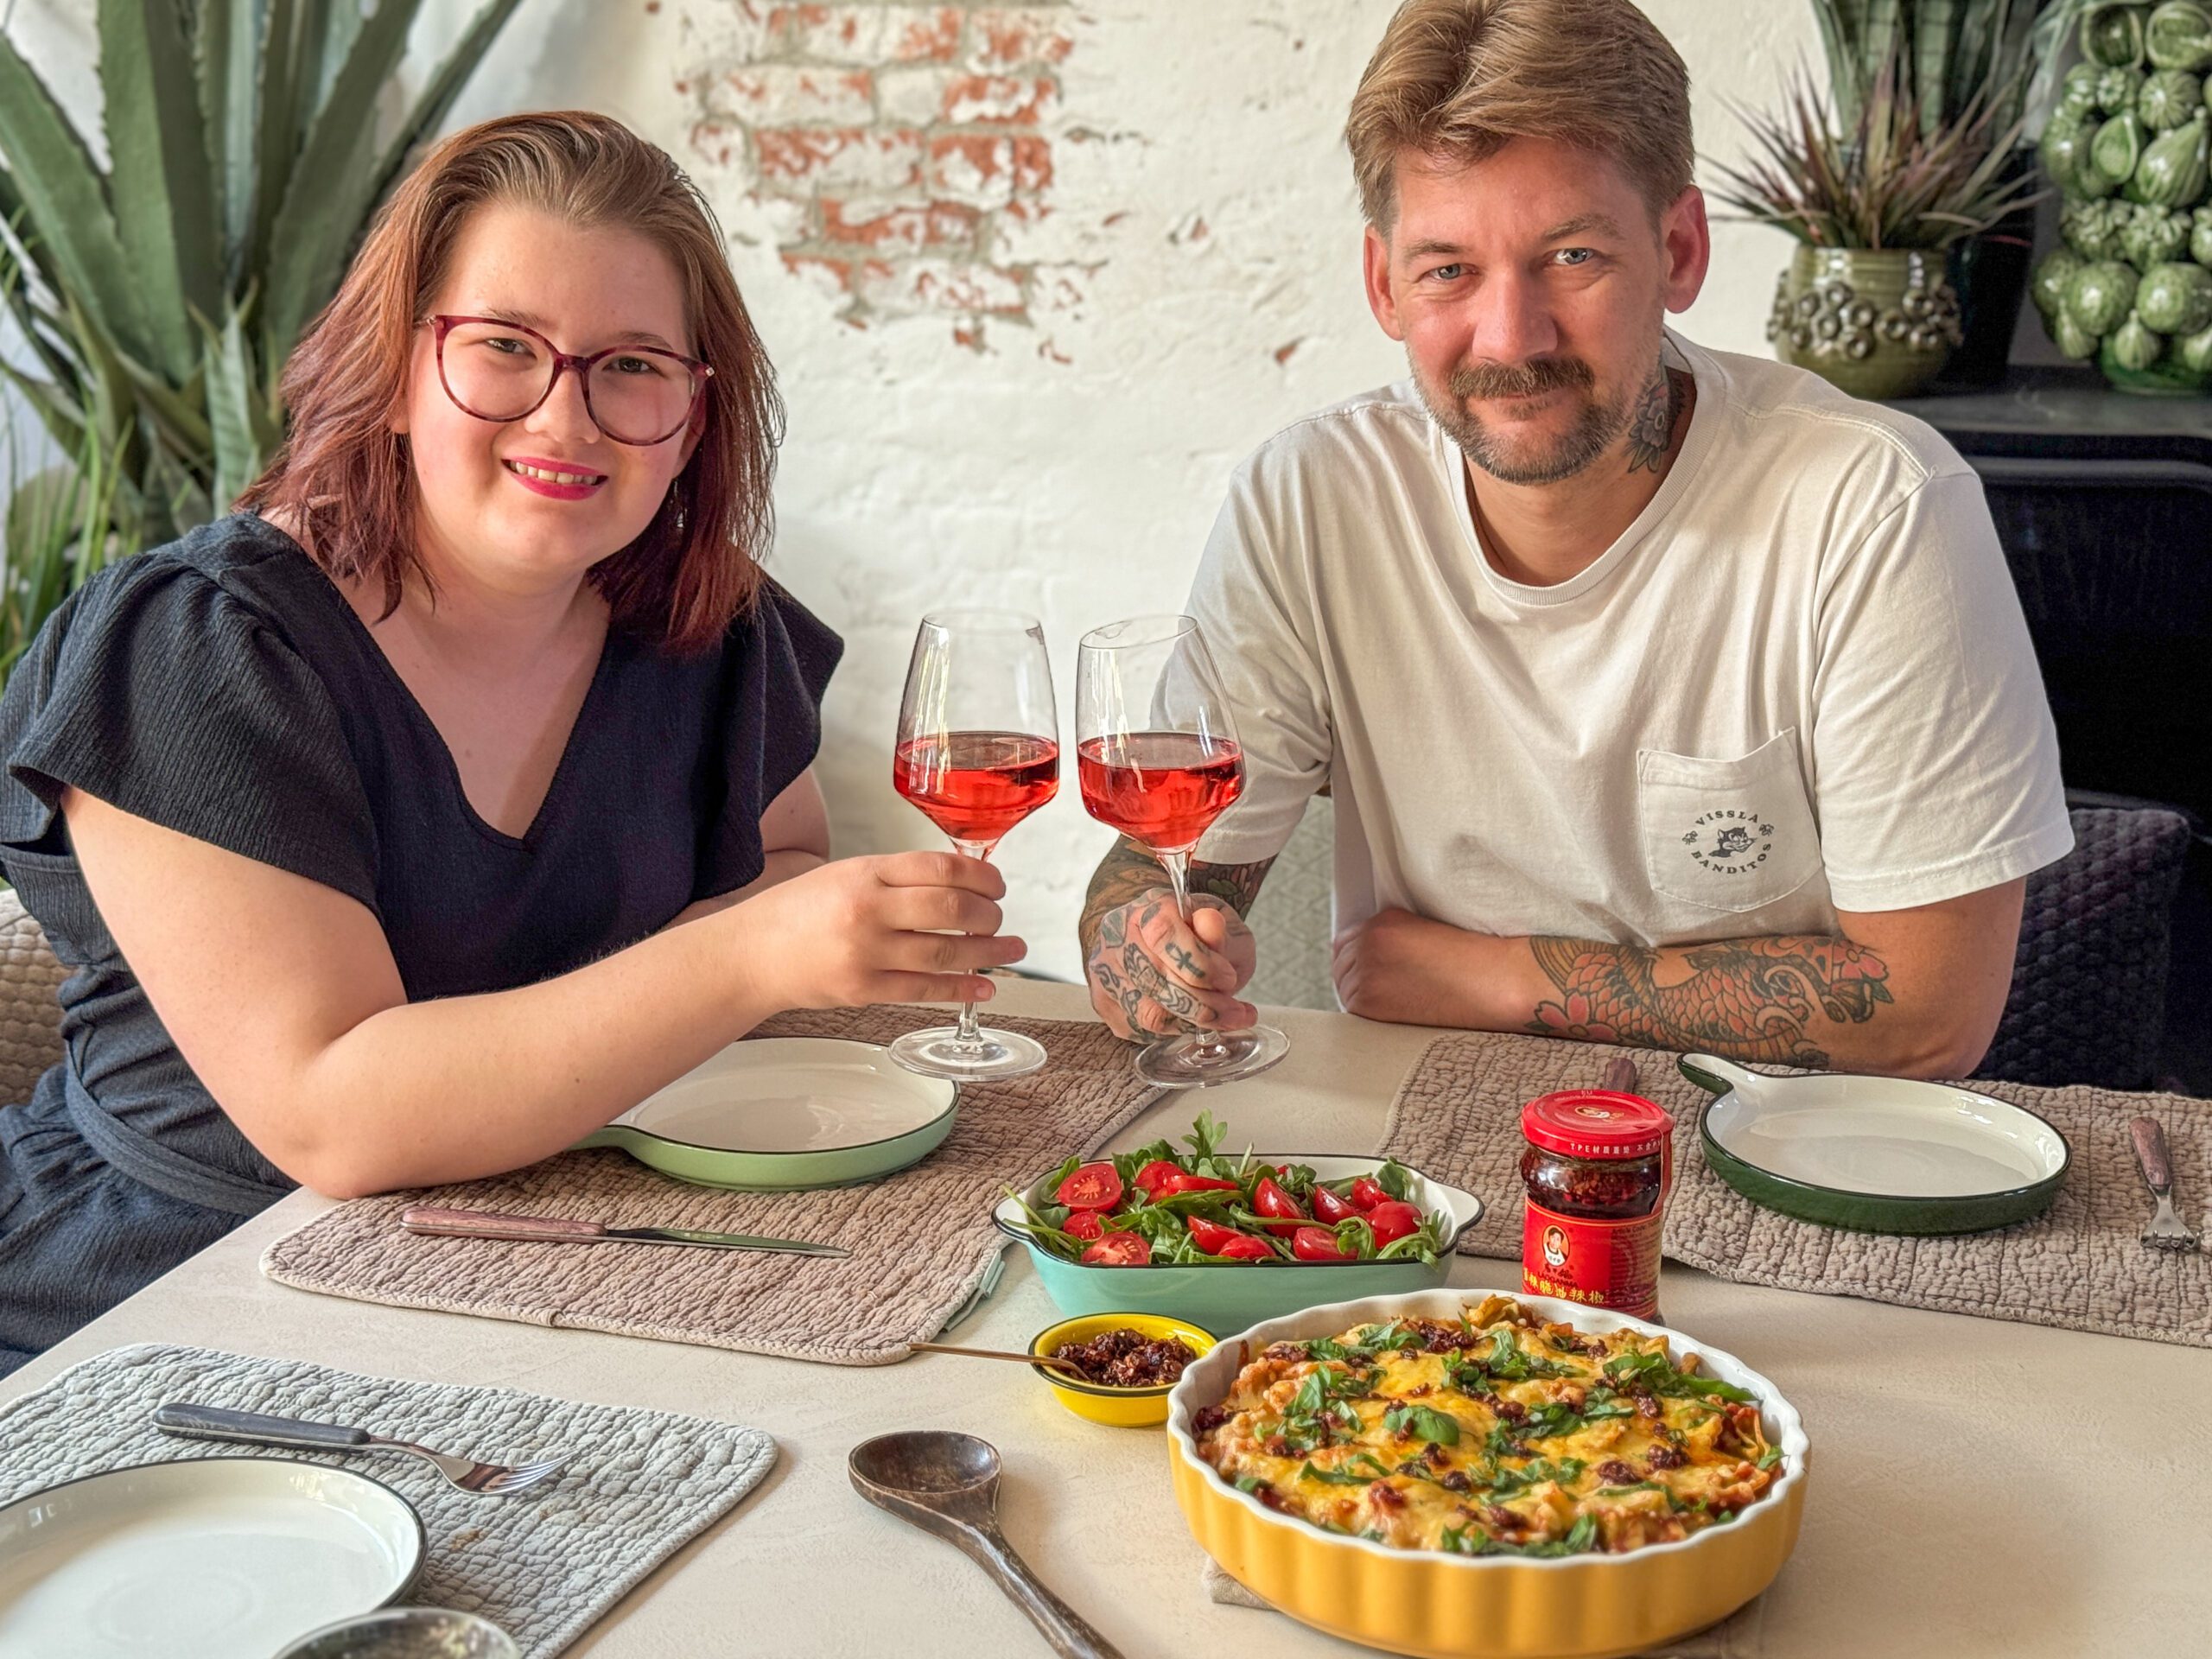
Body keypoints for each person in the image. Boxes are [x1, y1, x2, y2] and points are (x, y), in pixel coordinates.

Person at [0, 112, 1019, 1374]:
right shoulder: (202, 648)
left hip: (565, 1260)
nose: (565, 417)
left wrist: (797, 932)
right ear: (398, 363)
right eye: (502, 348)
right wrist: (755, 955)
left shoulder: (709, 622)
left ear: (696, 417)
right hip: (181, 1297)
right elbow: (335, 1118)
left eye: (633, 365)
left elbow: (779, 876)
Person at [1077, 0, 2071, 1080]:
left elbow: (1927, 1016)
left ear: (1678, 250)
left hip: (1788, 1152)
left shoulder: (1872, 503)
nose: (1512, 338)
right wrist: (1152, 955)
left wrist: (1483, 976)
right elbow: (1155, 880)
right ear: (1383, 286)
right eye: (1447, 270)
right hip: (1422, 1144)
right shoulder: (1309, 499)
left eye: (1571, 255)